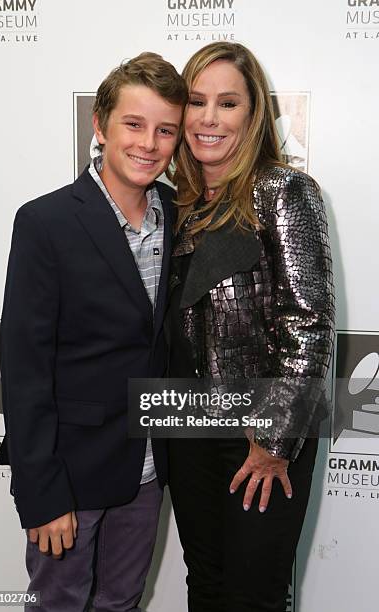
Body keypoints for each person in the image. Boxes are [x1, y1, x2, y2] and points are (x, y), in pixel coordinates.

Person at [0, 52, 187, 611]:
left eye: (165, 130)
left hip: (147, 472)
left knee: (122, 603)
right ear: (99, 125)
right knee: (59, 604)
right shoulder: (46, 222)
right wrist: (42, 493)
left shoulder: (178, 214)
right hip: (69, 476)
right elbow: (25, 369)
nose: (148, 143)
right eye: (133, 124)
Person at [167, 42, 335, 612]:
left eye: (228, 103)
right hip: (189, 427)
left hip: (258, 437)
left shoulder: (283, 191)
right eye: (196, 101)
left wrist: (274, 443)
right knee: (205, 586)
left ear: (253, 113)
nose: (209, 118)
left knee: (253, 596)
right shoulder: (176, 205)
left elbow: (309, 325)